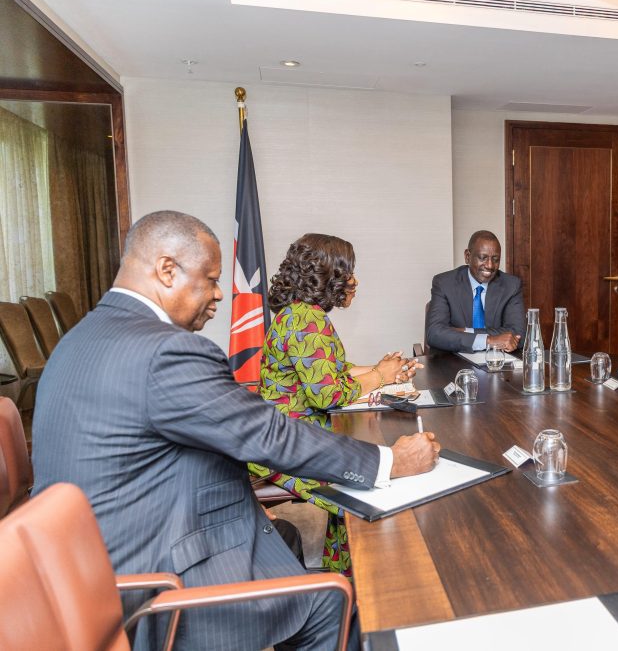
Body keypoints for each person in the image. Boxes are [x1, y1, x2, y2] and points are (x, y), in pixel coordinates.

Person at [30, 211, 441, 651]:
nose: (220, 295)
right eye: (209, 280)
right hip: (153, 592)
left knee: (284, 537)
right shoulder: (166, 351)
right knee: (349, 605)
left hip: (92, 574)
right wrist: (389, 461)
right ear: (167, 270)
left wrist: (244, 504)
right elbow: (271, 436)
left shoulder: (80, 338)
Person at [253, 233, 421, 575]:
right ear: (328, 276)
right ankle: (366, 580)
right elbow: (327, 393)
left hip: (295, 436)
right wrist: (379, 375)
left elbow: (334, 370)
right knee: (366, 482)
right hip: (285, 447)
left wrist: (386, 374)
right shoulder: (306, 322)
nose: (354, 281)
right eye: (349, 272)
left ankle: (341, 574)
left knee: (368, 462)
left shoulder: (301, 314)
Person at [425, 230, 525, 353]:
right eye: (483, 258)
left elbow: (518, 333)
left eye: (495, 259)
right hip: (453, 362)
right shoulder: (444, 283)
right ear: (467, 256)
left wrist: (466, 331)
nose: (490, 265)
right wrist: (488, 340)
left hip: (496, 361)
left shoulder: (511, 285)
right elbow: (435, 333)